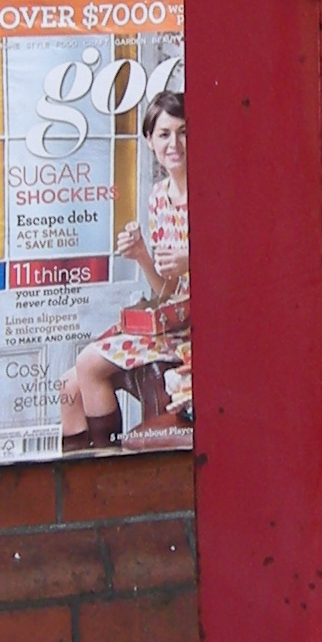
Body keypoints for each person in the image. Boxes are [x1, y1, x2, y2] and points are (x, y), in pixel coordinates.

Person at [60, 85, 189, 447]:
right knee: (68, 387)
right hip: (167, 320)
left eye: (183, 132)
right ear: (149, 140)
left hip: (195, 332)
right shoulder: (158, 197)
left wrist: (191, 261)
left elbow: (237, 272)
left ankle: (106, 462)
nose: (174, 144)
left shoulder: (209, 192)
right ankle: (79, 483)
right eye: (164, 134)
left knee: (87, 363)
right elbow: (163, 289)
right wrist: (142, 256)